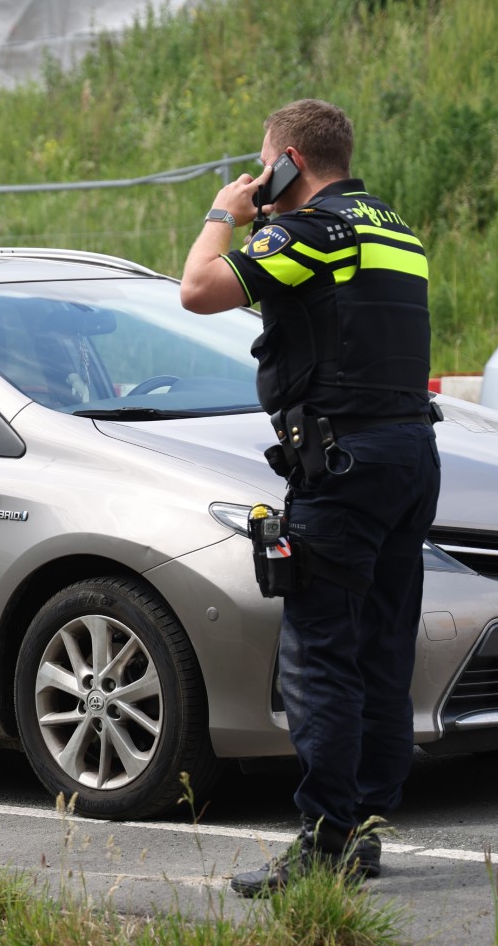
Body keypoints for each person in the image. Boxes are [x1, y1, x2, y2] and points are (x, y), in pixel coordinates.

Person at [179, 99, 442, 897]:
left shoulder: (310, 233)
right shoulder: (396, 230)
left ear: (290, 157)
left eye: (265, 162)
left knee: (320, 656)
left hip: (342, 465)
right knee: (381, 651)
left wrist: (223, 212)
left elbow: (198, 290)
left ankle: (324, 845)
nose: (261, 176)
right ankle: (362, 830)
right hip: (409, 458)